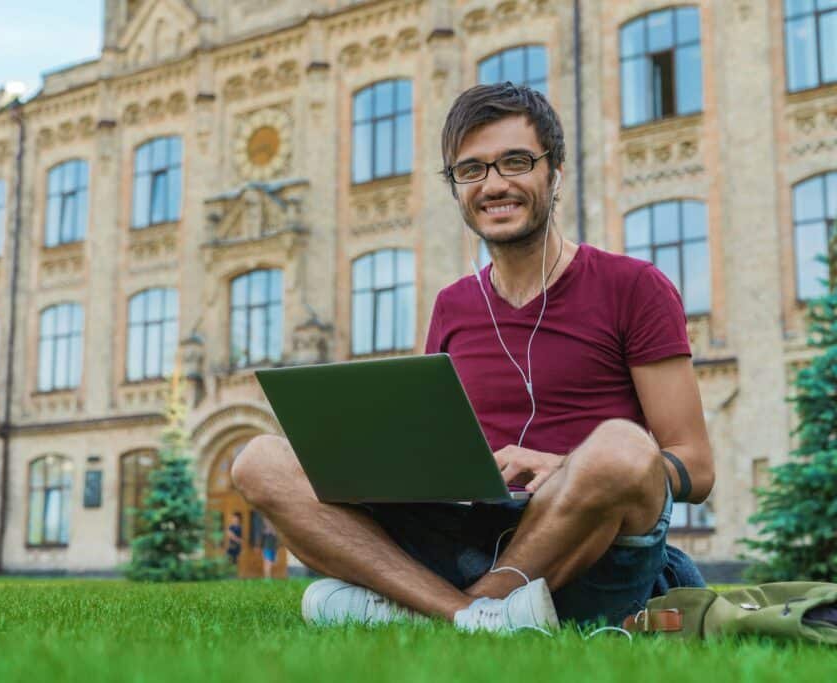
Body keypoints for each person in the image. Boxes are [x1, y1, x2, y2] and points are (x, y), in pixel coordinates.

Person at [231, 82, 713, 633]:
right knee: (259, 460)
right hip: (464, 535)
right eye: (472, 170)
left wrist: (567, 468)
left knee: (623, 446)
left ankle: (432, 610)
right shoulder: (453, 305)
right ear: (456, 187)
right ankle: (472, 616)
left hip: (584, 543)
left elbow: (695, 467)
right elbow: (437, 443)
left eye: (515, 162)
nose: (494, 185)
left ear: (554, 173)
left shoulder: (635, 286)